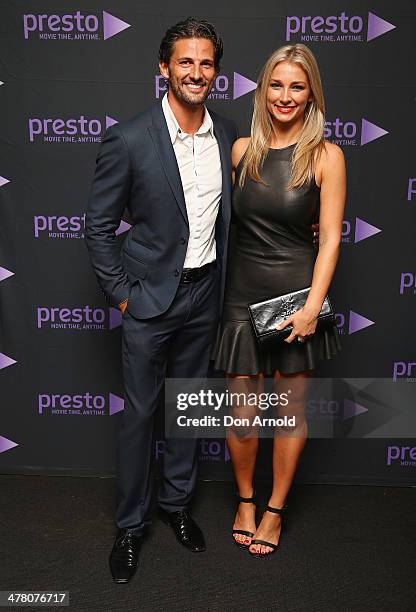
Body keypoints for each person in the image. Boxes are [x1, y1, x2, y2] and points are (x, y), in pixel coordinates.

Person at [85, 17, 237, 583]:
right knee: (142, 416)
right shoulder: (127, 138)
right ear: (164, 68)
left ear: (215, 71)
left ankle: (175, 508)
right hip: (148, 301)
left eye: (206, 63)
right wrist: (121, 297)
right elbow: (97, 226)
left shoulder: (227, 134)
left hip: (205, 295)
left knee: (188, 409)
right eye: (185, 62)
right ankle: (130, 526)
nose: (196, 73)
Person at [212, 43, 346, 557]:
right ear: (263, 89)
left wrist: (313, 307)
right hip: (240, 297)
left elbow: (330, 237)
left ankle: (274, 510)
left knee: (289, 414)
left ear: (311, 93)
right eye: (276, 85)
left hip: (296, 295)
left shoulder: (327, 156)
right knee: (242, 415)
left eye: (297, 86)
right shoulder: (242, 150)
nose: (285, 96)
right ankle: (245, 500)